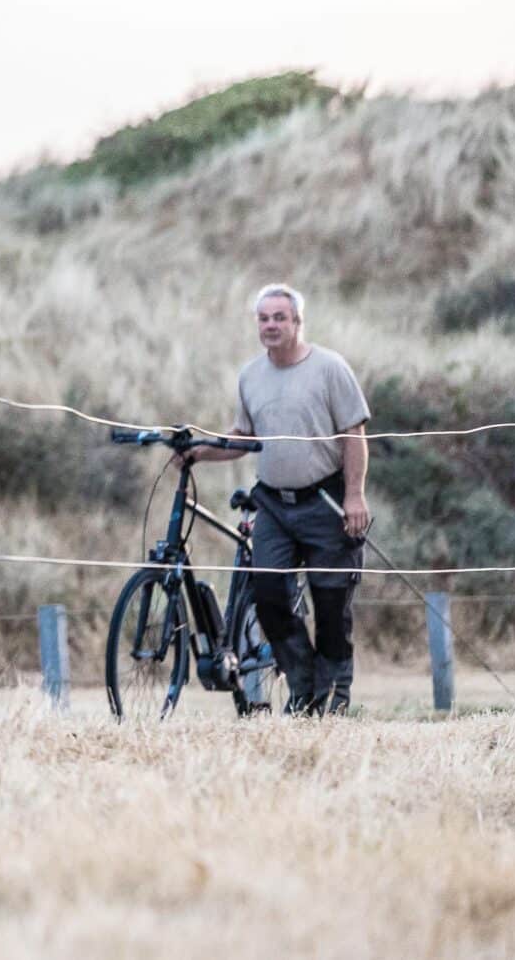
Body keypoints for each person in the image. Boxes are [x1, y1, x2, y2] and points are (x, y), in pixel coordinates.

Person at [181, 283, 372, 714]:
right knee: (268, 595)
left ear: (297, 322)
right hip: (272, 504)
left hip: (326, 501)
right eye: (264, 318)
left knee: (330, 605)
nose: (270, 325)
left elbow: (354, 435)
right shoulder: (250, 376)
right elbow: (241, 439)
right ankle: (303, 689)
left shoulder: (330, 368)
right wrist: (197, 452)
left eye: (279, 317)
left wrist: (355, 496)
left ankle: (335, 698)